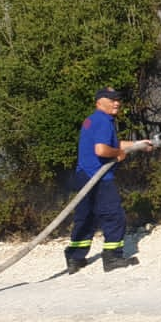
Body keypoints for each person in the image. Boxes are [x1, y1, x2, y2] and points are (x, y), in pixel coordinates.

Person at [65, 87, 153, 274]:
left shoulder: (93, 120)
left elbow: (113, 144)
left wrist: (139, 145)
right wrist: (118, 153)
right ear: (99, 102)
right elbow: (102, 150)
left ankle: (75, 258)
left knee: (86, 217)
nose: (116, 102)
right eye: (111, 99)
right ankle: (112, 257)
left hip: (84, 175)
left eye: (117, 99)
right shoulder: (104, 121)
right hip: (99, 177)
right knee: (114, 216)